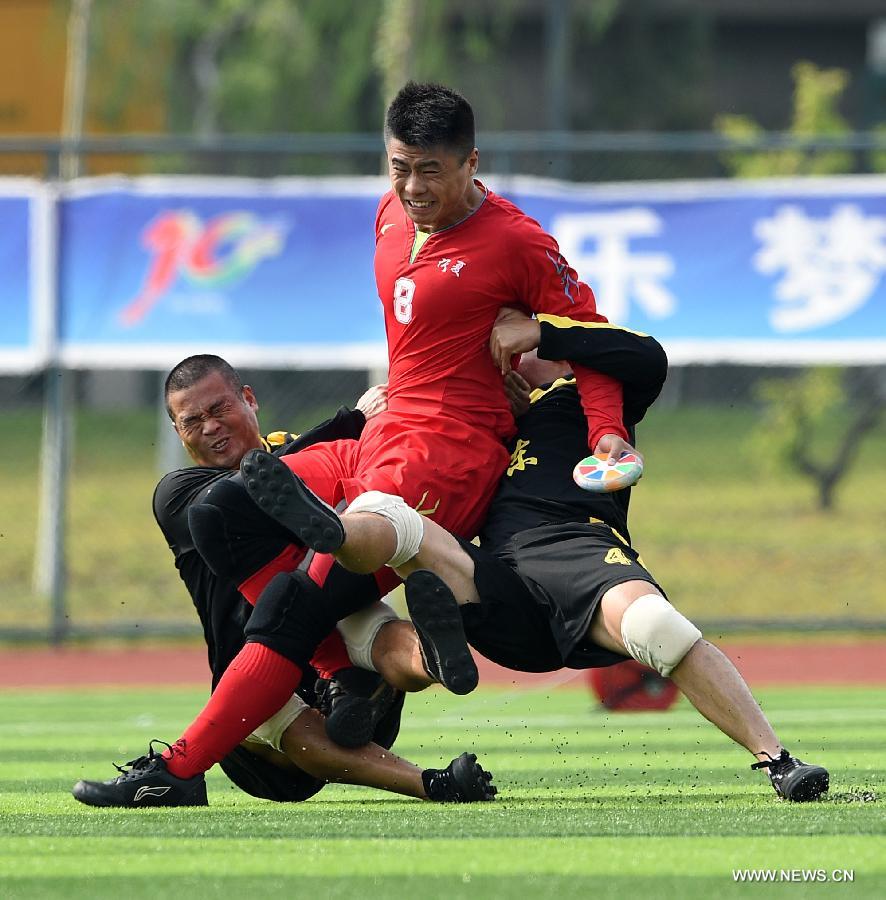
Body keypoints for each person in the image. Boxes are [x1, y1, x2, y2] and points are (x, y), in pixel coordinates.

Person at [86, 79, 644, 807]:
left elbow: (597, 345)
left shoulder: (519, 242)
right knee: (220, 511)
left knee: (293, 603)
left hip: (446, 452)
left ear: (472, 163)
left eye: (430, 171)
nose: (412, 187)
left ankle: (181, 770)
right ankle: (345, 663)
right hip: (382, 434)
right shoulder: (390, 215)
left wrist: (604, 436)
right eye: (399, 167)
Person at [252, 308, 830, 803]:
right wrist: (354, 418)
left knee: (659, 629)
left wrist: (544, 334)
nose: (496, 358)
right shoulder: (475, 418)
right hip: (496, 577)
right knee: (398, 518)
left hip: (576, 546)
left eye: (504, 343)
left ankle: (778, 762)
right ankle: (381, 595)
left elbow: (648, 358)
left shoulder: (594, 394)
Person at [71, 355, 496, 806]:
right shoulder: (180, 492)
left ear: (249, 399)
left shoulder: (310, 451)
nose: (210, 427)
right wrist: (349, 422)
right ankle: (432, 782)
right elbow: (245, 493)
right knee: (283, 700)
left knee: (364, 616)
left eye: (219, 410)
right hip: (254, 712)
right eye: (192, 421)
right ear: (178, 432)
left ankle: (428, 659)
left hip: (356, 683)